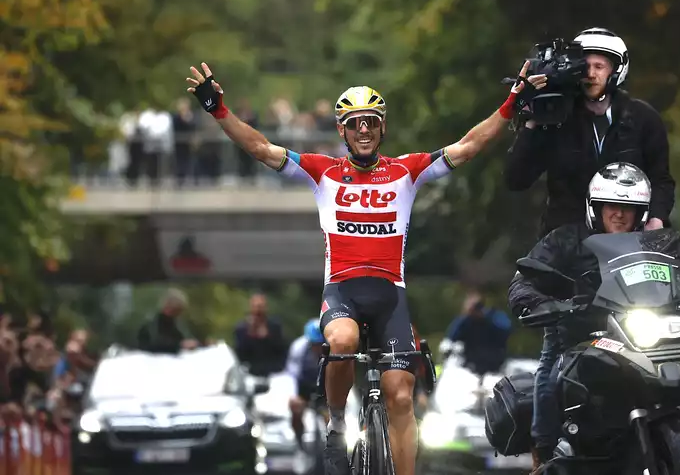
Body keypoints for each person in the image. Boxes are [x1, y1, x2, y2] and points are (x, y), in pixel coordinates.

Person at [185, 60, 547, 475]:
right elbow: (260, 149)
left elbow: (467, 146)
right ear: (342, 130)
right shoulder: (323, 172)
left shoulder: (405, 172)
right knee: (342, 341)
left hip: (390, 295)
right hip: (342, 291)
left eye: (371, 123)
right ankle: (337, 426)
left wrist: (513, 100)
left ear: (382, 128)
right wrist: (217, 109)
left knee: (402, 398)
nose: (364, 130)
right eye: (355, 123)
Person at [506, 162, 680, 473]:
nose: (618, 214)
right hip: (578, 331)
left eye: (629, 208)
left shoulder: (662, 242)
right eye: (611, 205)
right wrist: (537, 302)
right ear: (594, 207)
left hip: (647, 334)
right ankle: (544, 456)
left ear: (642, 213)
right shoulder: (565, 240)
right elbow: (524, 279)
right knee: (548, 383)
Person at [504, 28, 675, 237]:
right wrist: (532, 121)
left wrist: (656, 220)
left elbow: (661, 180)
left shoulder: (643, 118)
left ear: (615, 71)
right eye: (585, 67)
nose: (591, 74)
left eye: (599, 67)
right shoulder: (557, 118)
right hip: (565, 247)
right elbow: (516, 179)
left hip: (629, 241)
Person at [286, 319, 328, 471]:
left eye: (320, 344)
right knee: (295, 408)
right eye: (314, 344)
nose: (317, 347)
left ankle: (334, 446)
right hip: (303, 385)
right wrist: (294, 397)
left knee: (331, 414)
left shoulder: (332, 346)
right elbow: (291, 374)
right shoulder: (298, 347)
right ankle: (299, 444)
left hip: (325, 386)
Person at [442, 290, 511, 375]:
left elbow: (507, 330)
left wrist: (487, 320)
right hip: (470, 366)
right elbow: (451, 337)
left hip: (495, 365)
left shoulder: (494, 317)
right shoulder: (465, 321)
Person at [233, 293, 287, 377]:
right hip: (249, 372)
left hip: (274, 372)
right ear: (251, 308)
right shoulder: (242, 328)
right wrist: (250, 333)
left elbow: (282, 350)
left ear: (266, 308)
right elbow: (239, 355)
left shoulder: (275, 326)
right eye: (256, 306)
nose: (258, 310)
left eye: (261, 306)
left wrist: (268, 336)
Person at [136, 288, 198, 354]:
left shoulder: (177, 324)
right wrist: (179, 345)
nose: (178, 315)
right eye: (176, 310)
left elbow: (185, 338)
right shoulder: (151, 326)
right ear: (168, 307)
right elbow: (155, 345)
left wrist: (199, 343)